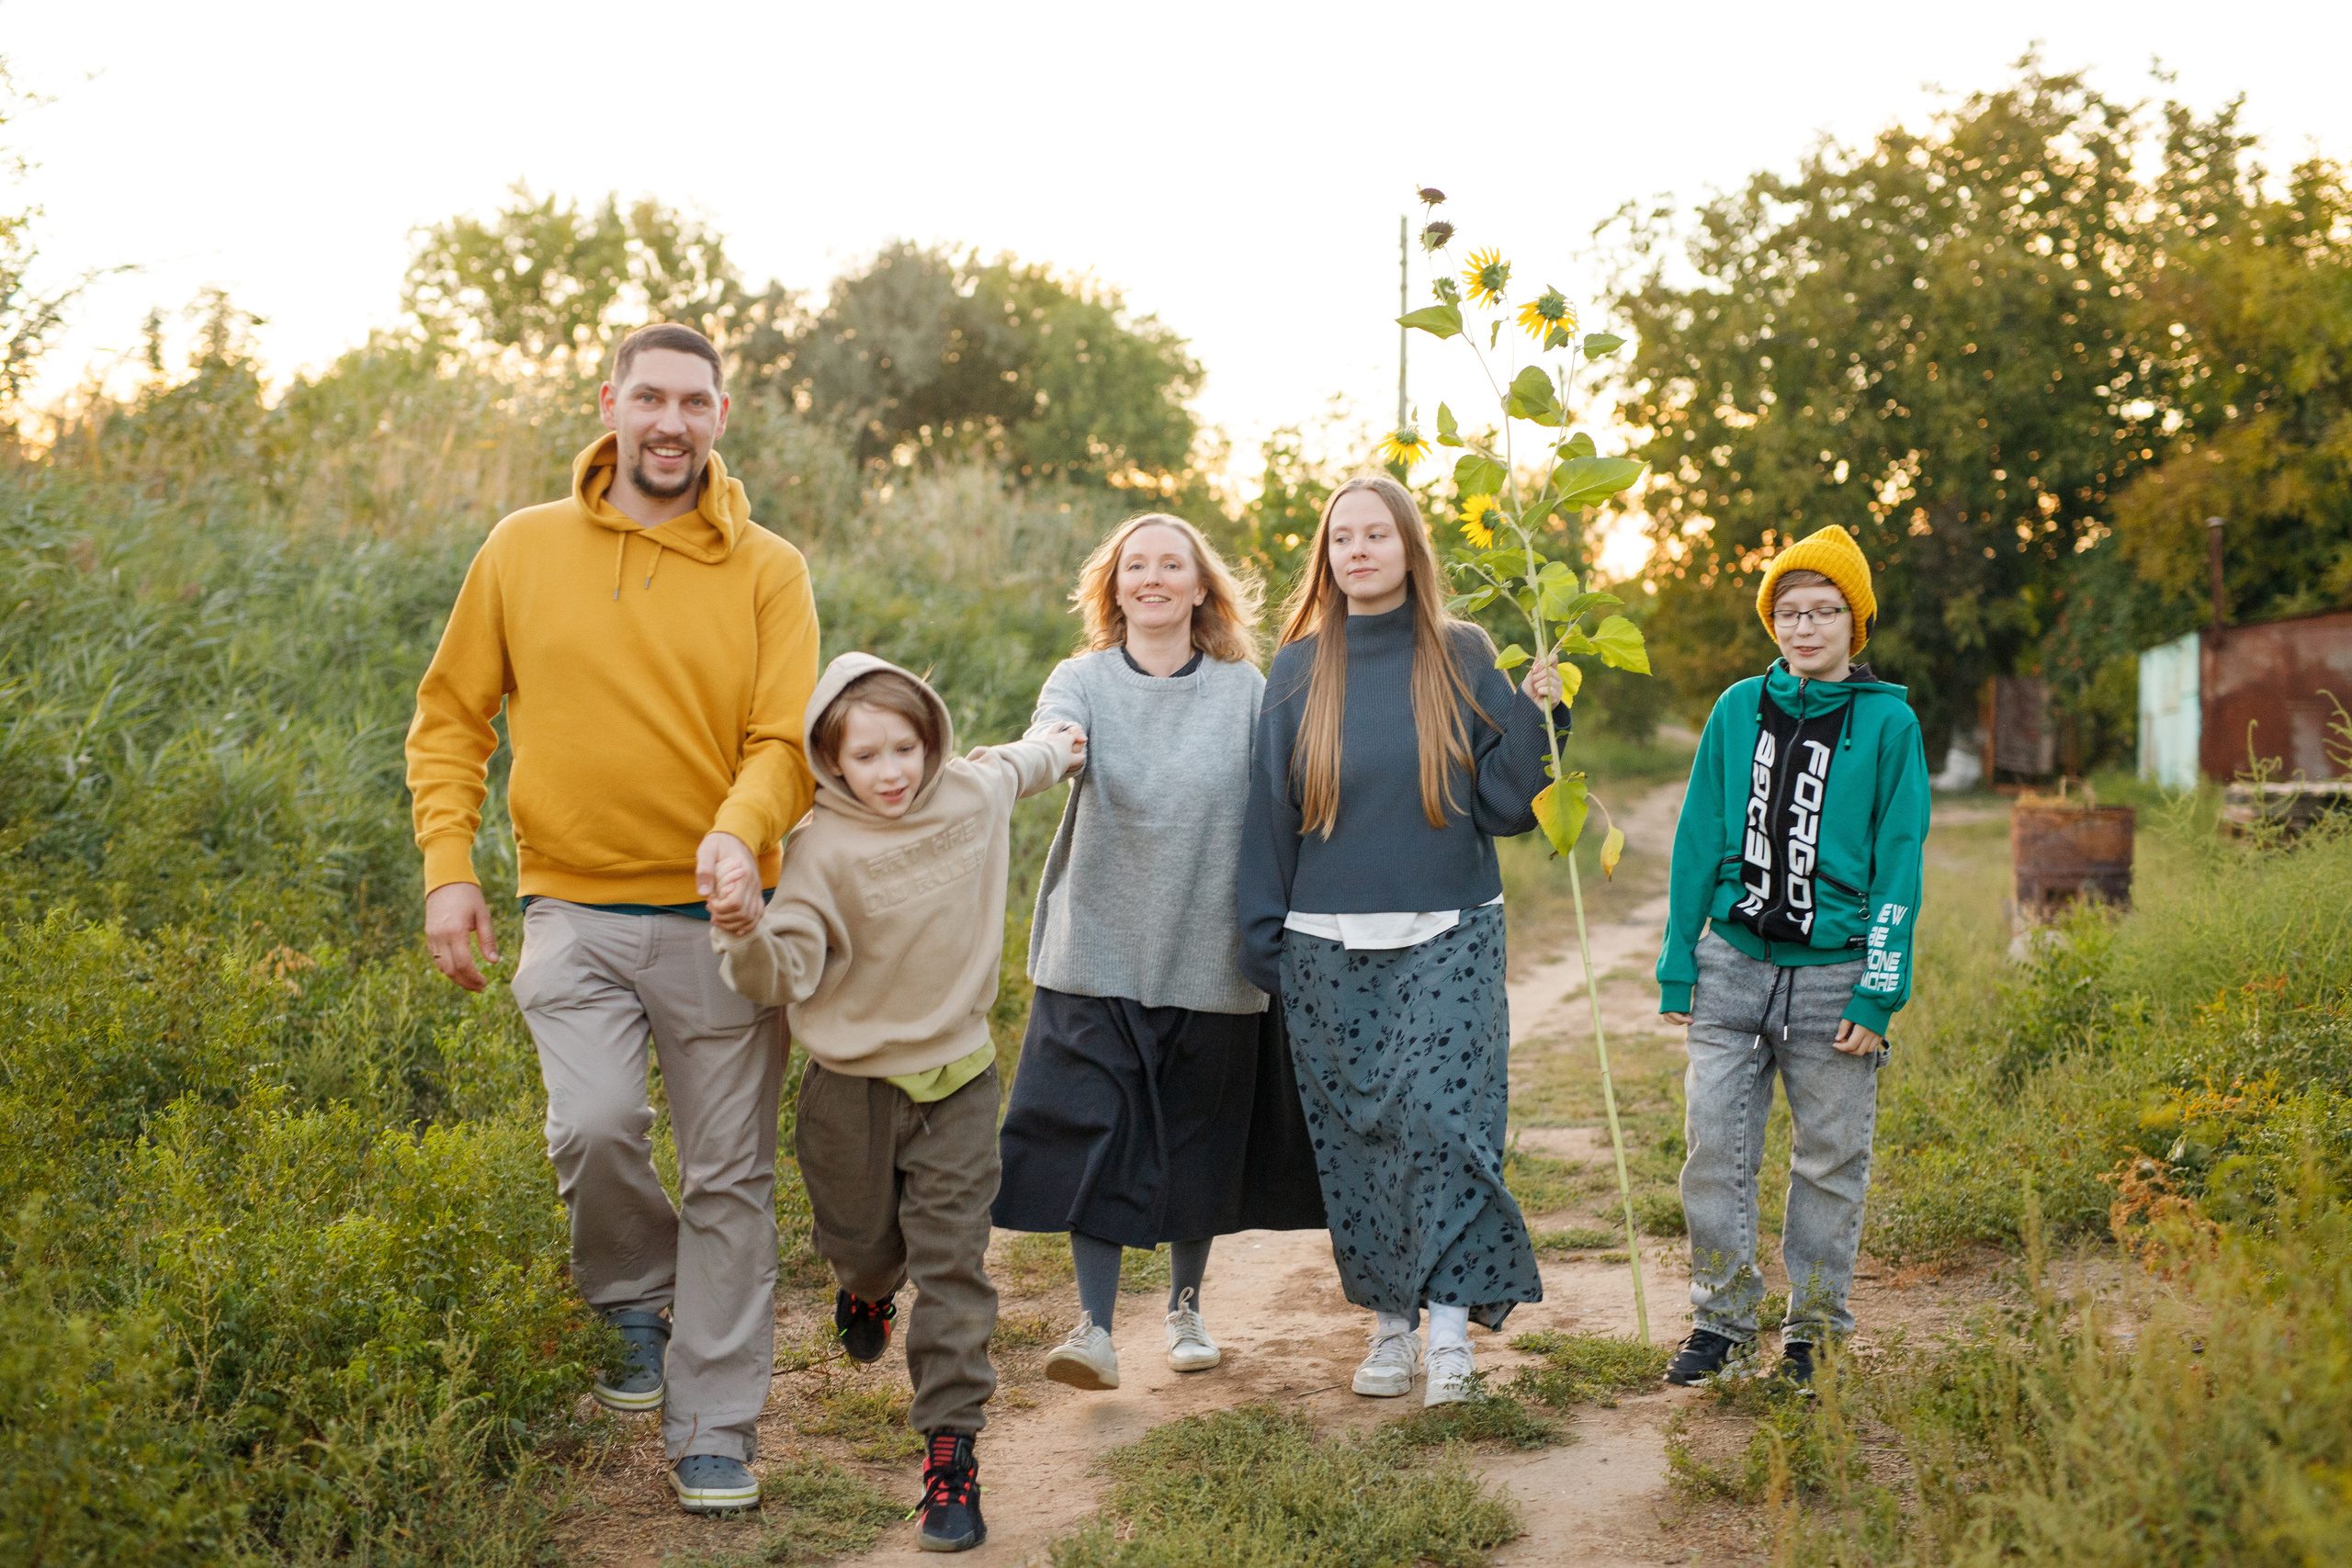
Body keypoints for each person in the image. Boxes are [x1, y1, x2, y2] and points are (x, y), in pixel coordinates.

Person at [405, 323, 819, 1514]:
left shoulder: (767, 567)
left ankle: (717, 1425)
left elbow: (783, 736)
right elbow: (450, 719)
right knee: (592, 1125)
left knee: (732, 1177)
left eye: (695, 401)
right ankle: (631, 1293)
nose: (672, 421)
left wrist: (741, 831)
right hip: (570, 905)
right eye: (651, 397)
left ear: (721, 415)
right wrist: (449, 865)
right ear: (611, 403)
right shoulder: (522, 547)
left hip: (721, 921)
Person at [707, 654, 1080, 1554]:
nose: (890, 771)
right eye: (865, 755)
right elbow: (784, 970)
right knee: (864, 1244)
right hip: (849, 1091)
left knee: (954, 1266)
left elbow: (1018, 764)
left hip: (955, 1079)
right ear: (831, 762)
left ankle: (950, 1456)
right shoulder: (819, 850)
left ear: (931, 739)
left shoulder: (970, 795)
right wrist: (747, 932)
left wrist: (1062, 746)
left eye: (905, 748)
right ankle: (865, 1289)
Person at [1237, 474, 1569, 1407]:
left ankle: (1453, 1334)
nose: (1358, 552)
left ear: (1408, 547)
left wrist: (1540, 716)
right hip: (1321, 944)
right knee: (1361, 1140)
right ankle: (1389, 1331)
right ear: (1326, 557)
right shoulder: (1299, 667)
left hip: (1450, 931)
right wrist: (1261, 936)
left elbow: (1506, 807)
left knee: (1443, 1125)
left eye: (1375, 534)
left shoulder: (1462, 653)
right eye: (1341, 539)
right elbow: (1269, 809)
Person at [993, 513, 1326, 1393]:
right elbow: (1054, 737)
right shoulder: (1082, 679)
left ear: (1199, 586)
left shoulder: (1244, 688)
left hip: (1209, 951)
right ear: (1114, 586)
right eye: (1134, 565)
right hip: (1094, 948)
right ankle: (1094, 1326)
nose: (1151, 577)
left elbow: (1292, 790)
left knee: (1195, 1141)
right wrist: (1033, 759)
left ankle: (1184, 1307)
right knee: (1095, 1136)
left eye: (1169, 564)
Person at [1652, 524, 1930, 1390]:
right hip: (1732, 963)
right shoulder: (1738, 709)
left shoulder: (1890, 723)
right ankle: (1723, 1321)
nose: (1805, 627)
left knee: (1830, 1157)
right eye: (1789, 611)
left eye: (1825, 611)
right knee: (1714, 1149)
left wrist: (1878, 993)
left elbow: (1901, 860)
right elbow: (1699, 834)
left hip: (1835, 975)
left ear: (1857, 621)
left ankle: (1814, 1332)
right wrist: (1678, 961)